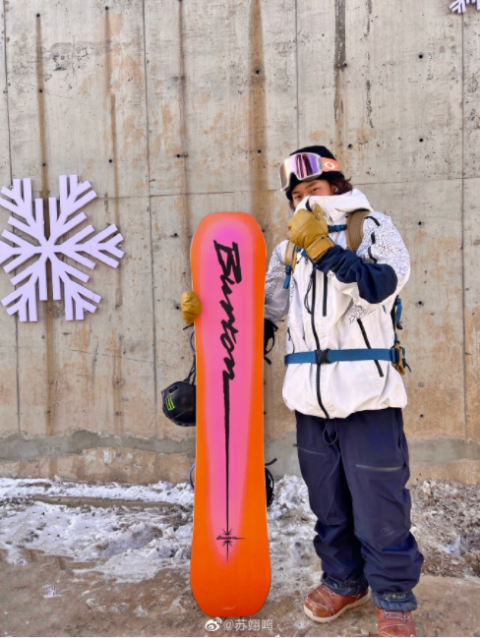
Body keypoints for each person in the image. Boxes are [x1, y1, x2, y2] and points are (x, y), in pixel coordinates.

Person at [181, 145, 423, 638]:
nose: (304, 201)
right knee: (328, 502)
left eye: (312, 189)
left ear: (336, 184)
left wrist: (327, 252)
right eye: (295, 195)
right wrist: (206, 315)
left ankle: (394, 597)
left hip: (366, 396)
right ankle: (344, 580)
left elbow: (385, 283)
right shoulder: (287, 250)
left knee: (379, 501)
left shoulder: (371, 227)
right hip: (310, 400)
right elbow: (258, 318)